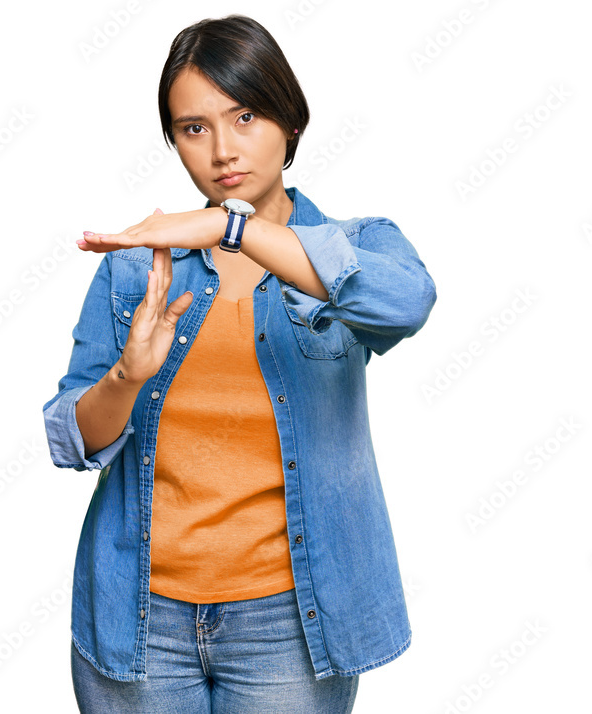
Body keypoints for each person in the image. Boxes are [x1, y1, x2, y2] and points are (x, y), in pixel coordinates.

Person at [43, 14, 437, 713]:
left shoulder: (352, 246)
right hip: (138, 619)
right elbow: (74, 441)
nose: (223, 149)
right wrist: (128, 376)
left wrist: (234, 228)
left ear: (288, 119)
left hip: (289, 626)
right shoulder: (139, 270)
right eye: (194, 128)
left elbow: (406, 302)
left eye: (245, 115)